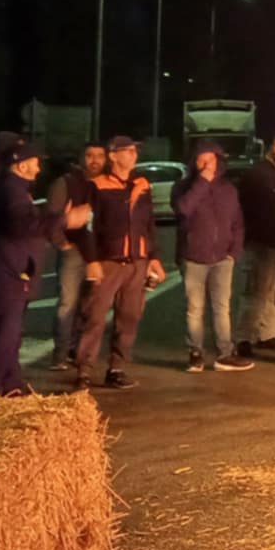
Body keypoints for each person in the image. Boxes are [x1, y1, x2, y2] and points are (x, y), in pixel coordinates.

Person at [0, 142, 92, 397]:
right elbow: (23, 224)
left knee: (10, 331)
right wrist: (66, 219)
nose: (39, 169)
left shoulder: (14, 189)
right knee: (4, 331)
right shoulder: (10, 191)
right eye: (36, 162)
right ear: (21, 164)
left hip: (13, 269)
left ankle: (10, 384)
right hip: (9, 271)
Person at [73, 136, 163, 390]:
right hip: (108, 262)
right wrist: (92, 260)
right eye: (128, 151)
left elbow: (148, 224)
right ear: (113, 156)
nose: (134, 154)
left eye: (135, 150)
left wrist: (153, 257)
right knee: (94, 317)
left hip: (137, 263)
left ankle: (116, 368)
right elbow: (87, 227)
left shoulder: (141, 184)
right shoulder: (97, 186)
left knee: (129, 317)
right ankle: (84, 371)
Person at [173, 140, 250, 373]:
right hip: (193, 257)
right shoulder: (184, 187)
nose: (207, 164)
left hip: (222, 258)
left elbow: (237, 222)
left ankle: (225, 353)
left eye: (211, 159)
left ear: (219, 162)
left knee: (221, 307)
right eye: (201, 160)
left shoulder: (228, 189)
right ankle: (195, 353)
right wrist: (202, 183)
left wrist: (233, 252)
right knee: (195, 309)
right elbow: (183, 209)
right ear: (194, 163)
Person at [233, 132, 275, 359]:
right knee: (256, 292)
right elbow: (241, 208)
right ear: (271, 148)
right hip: (261, 241)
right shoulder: (256, 174)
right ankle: (244, 338)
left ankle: (268, 334)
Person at [45, 144, 104, 370]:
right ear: (81, 158)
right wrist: (62, 244)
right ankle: (60, 354)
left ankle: (76, 350)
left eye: (100, 156)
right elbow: (52, 216)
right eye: (89, 155)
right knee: (67, 303)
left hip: (99, 253)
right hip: (73, 252)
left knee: (90, 305)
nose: (95, 160)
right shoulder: (66, 183)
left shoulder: (106, 183)